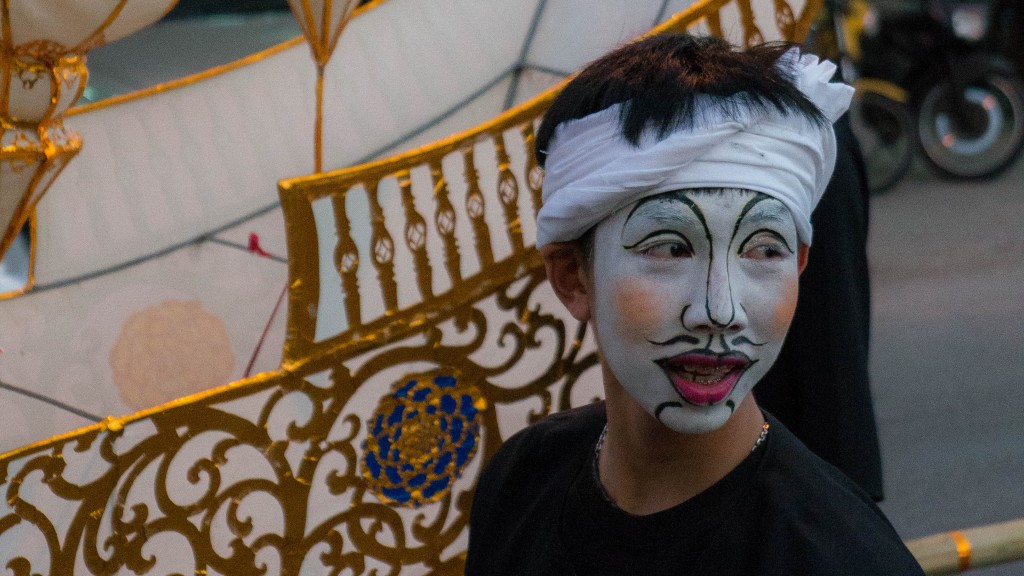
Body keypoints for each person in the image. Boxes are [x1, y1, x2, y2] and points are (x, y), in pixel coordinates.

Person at [466, 34, 923, 575]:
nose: (721, 310)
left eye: (762, 251)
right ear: (573, 276)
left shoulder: (835, 557)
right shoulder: (523, 480)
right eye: (670, 248)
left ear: (799, 265)